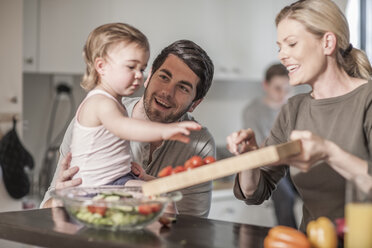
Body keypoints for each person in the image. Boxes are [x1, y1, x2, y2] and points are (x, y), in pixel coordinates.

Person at [227, 0, 372, 232]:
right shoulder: (294, 108)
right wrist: (249, 158)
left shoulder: (367, 99)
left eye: (291, 44)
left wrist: (328, 151)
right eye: (279, 47)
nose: (282, 55)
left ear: (327, 42)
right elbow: (255, 192)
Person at [41, 39, 215, 218]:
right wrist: (60, 201)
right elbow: (44, 210)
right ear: (149, 77)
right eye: (164, 77)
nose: (167, 92)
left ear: (195, 103)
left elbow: (193, 227)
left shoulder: (200, 143)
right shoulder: (96, 118)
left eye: (183, 88)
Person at [68, 23, 201, 188]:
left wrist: (125, 166)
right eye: (131, 67)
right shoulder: (100, 103)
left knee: (163, 194)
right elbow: (124, 127)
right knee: (156, 197)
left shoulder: (114, 103)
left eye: (142, 68)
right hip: (97, 186)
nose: (139, 75)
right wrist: (164, 131)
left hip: (115, 179)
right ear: (101, 66)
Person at [242, 63, 297, 228]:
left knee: (314, 189)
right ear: (265, 86)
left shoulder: (293, 108)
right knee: (286, 197)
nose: (283, 94)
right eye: (277, 88)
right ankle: (290, 240)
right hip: (268, 165)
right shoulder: (253, 111)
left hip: (292, 162)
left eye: (288, 89)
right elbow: (260, 148)